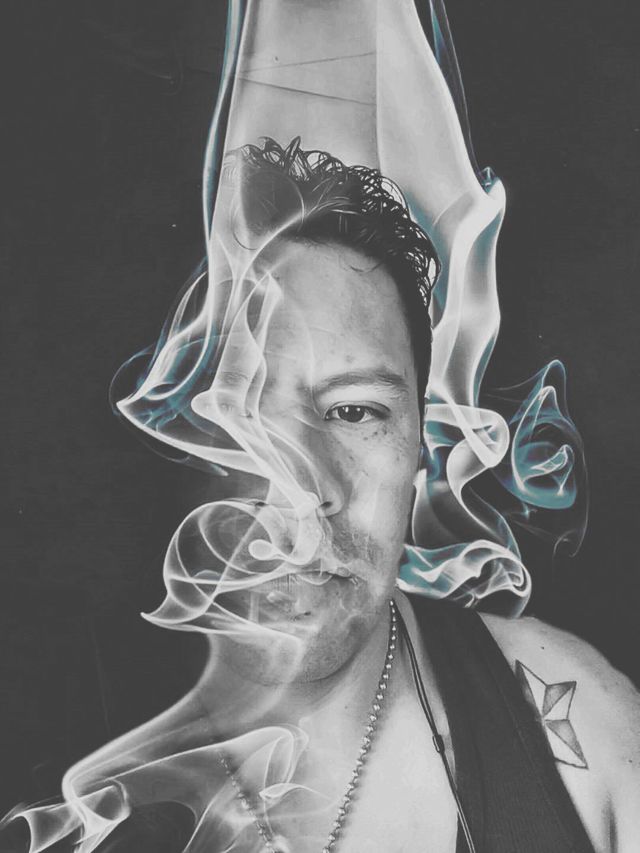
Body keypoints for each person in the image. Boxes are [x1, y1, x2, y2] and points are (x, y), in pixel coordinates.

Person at [4, 138, 638, 853]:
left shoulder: (583, 728)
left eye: (355, 411)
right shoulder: (48, 764)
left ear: (420, 441)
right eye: (243, 416)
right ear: (167, 441)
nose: (306, 491)